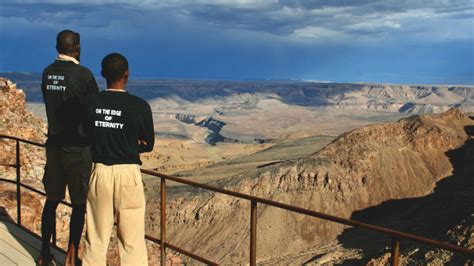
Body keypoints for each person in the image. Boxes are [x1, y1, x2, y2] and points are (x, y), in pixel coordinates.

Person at [82, 53, 154, 265]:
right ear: (127, 74)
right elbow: (148, 144)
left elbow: (84, 136)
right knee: (132, 240)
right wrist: (127, 144)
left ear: (103, 74)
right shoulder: (140, 106)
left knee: (96, 236)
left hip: (100, 172)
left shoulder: (90, 103)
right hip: (128, 174)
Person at [39, 29, 99, 265]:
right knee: (78, 204)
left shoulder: (47, 73)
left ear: (57, 48)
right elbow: (94, 107)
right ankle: (72, 255)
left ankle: (44, 251)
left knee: (51, 200)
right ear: (77, 49)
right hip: (77, 148)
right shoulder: (82, 74)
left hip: (53, 146)